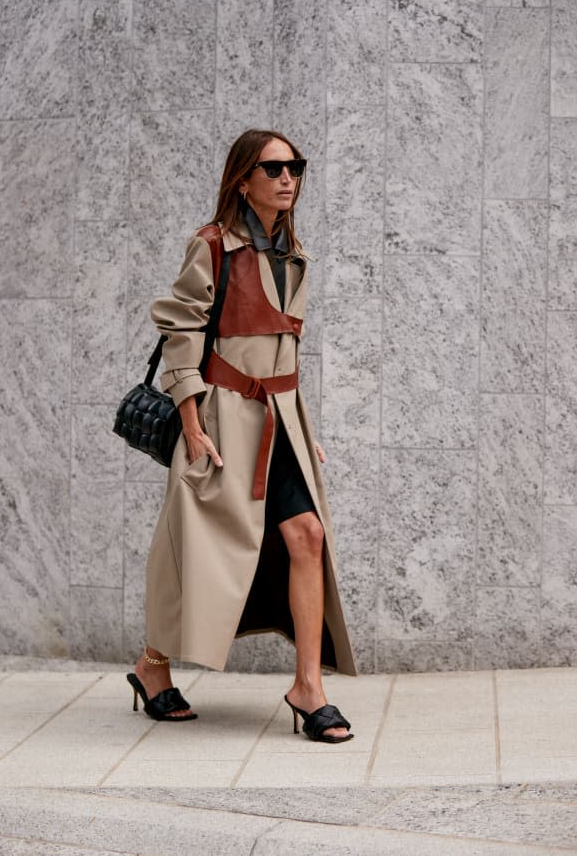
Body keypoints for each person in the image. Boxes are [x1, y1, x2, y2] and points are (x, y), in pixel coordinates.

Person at [126, 129, 357, 743]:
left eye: (295, 167)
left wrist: (302, 425)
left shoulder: (292, 251)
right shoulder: (212, 246)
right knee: (195, 552)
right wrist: (193, 424)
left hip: (281, 420)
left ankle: (308, 687)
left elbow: (282, 350)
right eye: (274, 168)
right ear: (243, 179)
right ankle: (152, 666)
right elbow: (182, 329)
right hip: (223, 421)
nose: (288, 178)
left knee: (307, 534)